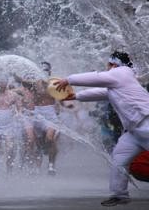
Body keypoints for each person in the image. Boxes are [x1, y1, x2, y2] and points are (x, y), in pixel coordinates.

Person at [55, 51, 149, 206]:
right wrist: (77, 96)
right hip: (134, 131)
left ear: (113, 64)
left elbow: (96, 78)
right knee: (119, 158)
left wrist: (68, 79)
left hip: (146, 124)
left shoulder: (122, 72)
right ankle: (120, 195)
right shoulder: (119, 81)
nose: (106, 68)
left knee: (120, 158)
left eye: (108, 65)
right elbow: (103, 92)